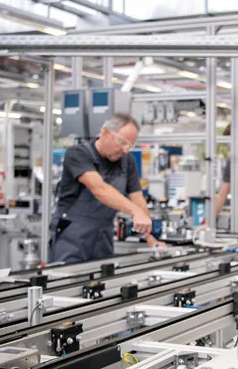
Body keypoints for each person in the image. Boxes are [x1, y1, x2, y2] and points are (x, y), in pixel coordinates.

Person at [49, 112, 165, 264]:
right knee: (68, 282)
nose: (126, 150)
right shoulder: (77, 154)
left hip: (103, 237)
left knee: (104, 283)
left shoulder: (127, 161)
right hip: (72, 237)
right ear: (105, 133)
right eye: (122, 142)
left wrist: (150, 238)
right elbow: (99, 189)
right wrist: (135, 211)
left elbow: (137, 197)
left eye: (130, 145)